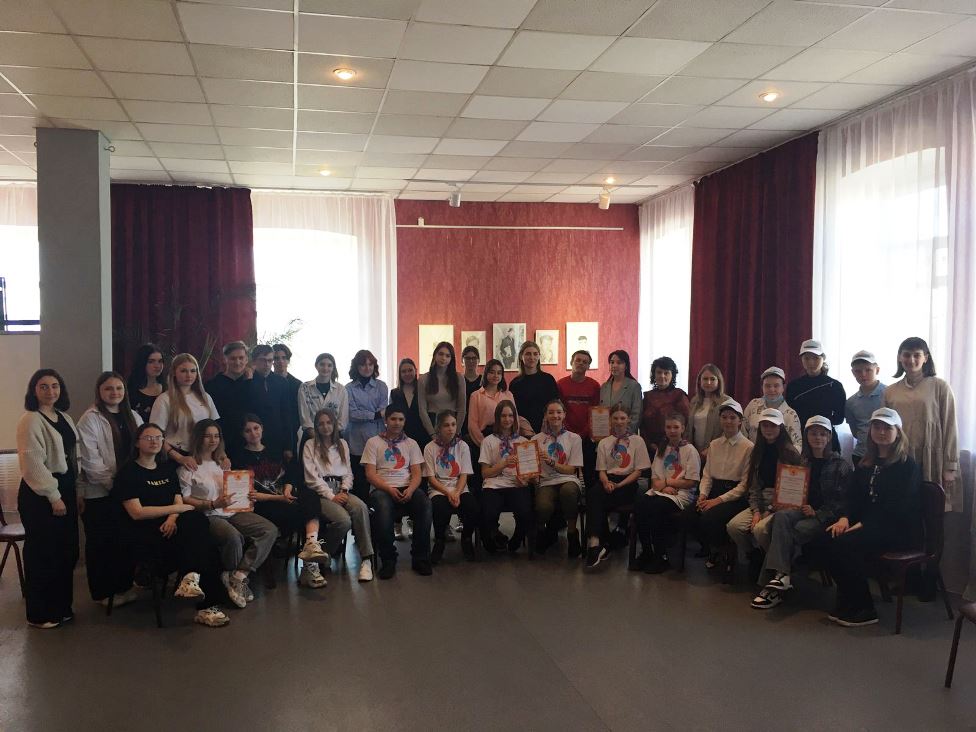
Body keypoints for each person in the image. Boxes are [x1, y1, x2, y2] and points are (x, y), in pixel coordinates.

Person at [115, 423, 229, 628]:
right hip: (145, 531)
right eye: (148, 437)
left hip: (171, 525)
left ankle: (193, 581)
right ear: (137, 443)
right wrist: (174, 511)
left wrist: (172, 518)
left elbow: (178, 499)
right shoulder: (128, 472)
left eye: (159, 437)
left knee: (199, 525)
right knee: (204, 543)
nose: (154, 441)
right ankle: (202, 595)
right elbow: (137, 512)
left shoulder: (166, 469)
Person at [826, 407, 921, 627]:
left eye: (887, 428)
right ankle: (848, 599)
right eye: (877, 427)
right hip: (868, 526)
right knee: (827, 538)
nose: (881, 432)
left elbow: (898, 508)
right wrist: (845, 518)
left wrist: (862, 524)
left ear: (898, 432)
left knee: (846, 545)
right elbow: (853, 497)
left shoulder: (907, 466)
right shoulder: (866, 463)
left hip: (896, 530)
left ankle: (865, 608)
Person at [750, 415, 849, 609]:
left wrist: (817, 512)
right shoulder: (803, 461)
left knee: (787, 533)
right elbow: (793, 489)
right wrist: (784, 502)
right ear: (806, 436)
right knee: (780, 517)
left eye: (822, 434)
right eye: (813, 433)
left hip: (824, 516)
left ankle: (772, 584)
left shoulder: (840, 465)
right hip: (800, 509)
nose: (817, 438)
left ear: (829, 437)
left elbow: (842, 502)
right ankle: (782, 577)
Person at [178, 420, 278, 609]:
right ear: (198, 438)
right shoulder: (188, 467)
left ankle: (238, 575)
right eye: (207, 436)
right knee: (233, 537)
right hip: (209, 514)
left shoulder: (223, 463)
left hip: (232, 510)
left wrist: (246, 497)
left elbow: (233, 488)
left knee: (269, 530)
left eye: (216, 436)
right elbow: (185, 499)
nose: (213, 440)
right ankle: (228, 576)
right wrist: (211, 504)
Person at [16, 369, 79, 629]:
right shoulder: (30, 420)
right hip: (40, 494)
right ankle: (40, 613)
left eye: (55, 386)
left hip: (66, 488)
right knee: (43, 553)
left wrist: (76, 491)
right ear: (34, 390)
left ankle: (61, 607)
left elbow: (73, 456)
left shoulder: (64, 417)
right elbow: (32, 464)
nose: (50, 391)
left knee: (65, 551)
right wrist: (54, 496)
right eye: (43, 386)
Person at [76, 371, 142, 607]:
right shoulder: (90, 419)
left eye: (119, 388)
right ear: (99, 391)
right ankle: (103, 593)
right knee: (101, 544)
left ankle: (123, 587)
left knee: (123, 541)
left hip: (127, 492)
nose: (114, 393)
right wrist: (118, 488)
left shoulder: (133, 416)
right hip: (101, 493)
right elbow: (91, 462)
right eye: (108, 388)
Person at [230, 414, 321, 581]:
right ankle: (310, 566)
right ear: (242, 434)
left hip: (284, 497)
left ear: (262, 429)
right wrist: (279, 498)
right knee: (304, 514)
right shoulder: (238, 458)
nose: (253, 433)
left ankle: (311, 544)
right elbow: (250, 494)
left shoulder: (274, 450)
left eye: (256, 428)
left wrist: (287, 488)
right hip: (264, 505)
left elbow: (291, 473)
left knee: (311, 495)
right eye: (248, 431)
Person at [881, 336, 960, 509]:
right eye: (906, 355)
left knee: (931, 510)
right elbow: (883, 429)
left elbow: (950, 426)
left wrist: (950, 466)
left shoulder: (940, 387)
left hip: (932, 457)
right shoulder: (890, 392)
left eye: (917, 355)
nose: (911, 360)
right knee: (902, 509)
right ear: (899, 358)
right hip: (900, 457)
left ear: (926, 358)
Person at [302, 408, 375, 585]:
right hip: (320, 493)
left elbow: (348, 472)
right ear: (316, 427)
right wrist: (331, 496)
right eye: (321, 424)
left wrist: (344, 490)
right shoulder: (310, 445)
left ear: (335, 424)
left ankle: (366, 559)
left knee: (360, 507)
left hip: (341, 489)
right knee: (343, 520)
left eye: (329, 422)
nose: (325, 427)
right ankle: (322, 555)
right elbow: (312, 478)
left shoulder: (342, 443)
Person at [725, 408, 802, 576]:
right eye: (765, 425)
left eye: (773, 426)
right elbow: (753, 486)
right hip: (760, 500)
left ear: (781, 428)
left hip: (782, 504)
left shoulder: (791, 453)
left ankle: (775, 565)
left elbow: (792, 491)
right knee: (734, 527)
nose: (768, 429)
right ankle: (756, 556)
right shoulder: (757, 451)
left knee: (760, 530)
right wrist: (756, 511)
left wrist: (770, 510)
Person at [362, 407, 430, 579]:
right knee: (383, 508)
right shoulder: (373, 442)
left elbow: (417, 474)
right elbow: (370, 474)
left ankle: (420, 558)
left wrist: (411, 489)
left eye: (401, 419)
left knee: (424, 503)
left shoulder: (411, 443)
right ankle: (388, 559)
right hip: (382, 489)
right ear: (386, 420)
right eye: (393, 419)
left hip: (407, 487)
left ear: (405, 421)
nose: (397, 423)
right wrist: (389, 489)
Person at [685, 398, 753, 568]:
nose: (728, 421)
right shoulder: (714, 444)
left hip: (734, 497)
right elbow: (707, 475)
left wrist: (716, 501)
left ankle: (722, 550)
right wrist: (702, 495)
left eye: (732, 417)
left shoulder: (748, 447)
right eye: (724, 417)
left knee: (710, 517)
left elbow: (744, 485)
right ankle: (711, 547)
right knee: (689, 515)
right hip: (713, 491)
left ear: (740, 421)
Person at [584, 403, 652, 570]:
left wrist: (620, 484)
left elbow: (638, 471)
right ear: (610, 420)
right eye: (615, 418)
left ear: (628, 420)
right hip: (609, 480)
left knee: (605, 501)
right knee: (593, 494)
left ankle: (609, 541)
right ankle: (595, 543)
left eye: (622, 418)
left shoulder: (637, 441)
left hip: (628, 482)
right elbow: (601, 470)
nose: (619, 421)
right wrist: (606, 482)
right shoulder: (604, 442)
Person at [634, 412, 701, 573]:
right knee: (640, 504)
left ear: (683, 428)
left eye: (676, 427)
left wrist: (667, 483)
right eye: (669, 427)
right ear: (664, 429)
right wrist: (663, 487)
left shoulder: (690, 450)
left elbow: (691, 481)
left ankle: (661, 555)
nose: (672, 431)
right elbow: (654, 478)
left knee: (657, 507)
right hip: (661, 490)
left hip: (682, 494)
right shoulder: (662, 448)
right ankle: (647, 551)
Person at [478, 400, 532, 555]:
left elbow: (529, 472)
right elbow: (485, 473)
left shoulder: (523, 442)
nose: (507, 419)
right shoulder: (488, 441)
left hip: (516, 484)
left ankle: (517, 539)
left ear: (515, 418)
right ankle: (490, 539)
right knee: (488, 512)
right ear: (497, 418)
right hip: (494, 484)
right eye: (503, 416)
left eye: (510, 416)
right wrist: (503, 464)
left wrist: (525, 479)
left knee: (524, 511)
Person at [532, 399, 584, 558]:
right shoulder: (535, 440)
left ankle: (572, 533)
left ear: (564, 415)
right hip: (546, 481)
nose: (555, 416)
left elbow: (571, 469)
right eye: (551, 412)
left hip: (568, 479)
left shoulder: (574, 438)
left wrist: (551, 462)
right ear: (545, 416)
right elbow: (532, 469)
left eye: (559, 412)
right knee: (543, 506)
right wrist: (530, 475)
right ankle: (541, 532)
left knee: (568, 492)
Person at [149, 352, 220, 467]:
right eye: (183, 371)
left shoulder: (205, 397)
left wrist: (221, 454)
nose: (189, 375)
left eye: (193, 371)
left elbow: (215, 429)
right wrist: (179, 458)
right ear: (174, 373)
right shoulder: (164, 400)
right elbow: (155, 435)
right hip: (175, 457)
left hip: (203, 454)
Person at [424, 410, 477, 563]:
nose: (451, 429)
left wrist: (457, 492)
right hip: (438, 489)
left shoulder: (463, 446)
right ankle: (439, 541)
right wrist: (448, 493)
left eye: (453, 425)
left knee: (472, 507)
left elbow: (464, 474)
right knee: (440, 508)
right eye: (446, 425)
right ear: (439, 428)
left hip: (459, 487)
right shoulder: (430, 447)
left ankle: (466, 539)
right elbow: (431, 478)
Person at [785, 339, 847, 452]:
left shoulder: (835, 386)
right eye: (807, 358)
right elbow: (790, 416)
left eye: (816, 358)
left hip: (826, 439)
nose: (811, 362)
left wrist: (819, 426)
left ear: (823, 358)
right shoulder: (793, 386)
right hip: (800, 439)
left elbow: (839, 418)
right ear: (801, 359)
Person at [346, 350, 389, 501]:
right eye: (363, 365)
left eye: (370, 364)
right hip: (356, 440)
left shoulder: (382, 386)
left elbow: (384, 411)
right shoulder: (348, 388)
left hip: (378, 437)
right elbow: (352, 414)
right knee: (359, 481)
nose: (367, 368)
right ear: (356, 367)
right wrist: (374, 415)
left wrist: (366, 414)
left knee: (377, 479)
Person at [558, 349, 601, 489]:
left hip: (587, 436)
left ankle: (589, 502)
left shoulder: (595, 386)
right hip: (566, 435)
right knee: (568, 473)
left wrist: (583, 433)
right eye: (578, 360)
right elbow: (559, 411)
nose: (581, 363)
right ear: (571, 362)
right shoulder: (560, 384)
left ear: (588, 366)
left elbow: (595, 413)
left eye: (585, 362)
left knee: (589, 474)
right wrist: (569, 432)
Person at [204, 341, 253, 454]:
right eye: (233, 358)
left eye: (241, 358)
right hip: (221, 442)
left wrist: (249, 382)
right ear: (225, 359)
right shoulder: (212, 385)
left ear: (246, 359)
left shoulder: (252, 383)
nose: (237, 362)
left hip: (249, 441)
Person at [741, 366, 802, 451]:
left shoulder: (791, 415)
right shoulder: (753, 405)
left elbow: (797, 445)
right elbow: (742, 432)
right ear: (762, 387)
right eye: (767, 386)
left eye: (776, 386)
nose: (772, 389)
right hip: (753, 455)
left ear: (783, 387)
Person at [248, 345, 292, 458]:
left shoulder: (282, 382)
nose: (267, 364)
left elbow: (286, 414)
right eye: (262, 360)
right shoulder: (247, 382)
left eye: (270, 360)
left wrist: (288, 446)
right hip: (253, 438)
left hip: (277, 438)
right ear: (254, 361)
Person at [640, 356, 690, 455]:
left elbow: (687, 424)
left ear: (672, 375)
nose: (662, 376)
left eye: (666, 373)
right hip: (650, 448)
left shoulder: (679, 395)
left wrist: (673, 444)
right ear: (654, 374)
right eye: (659, 372)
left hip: (674, 448)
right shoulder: (647, 396)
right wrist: (649, 444)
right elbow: (642, 425)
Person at [418, 342, 467, 441]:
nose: (443, 358)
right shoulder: (424, 379)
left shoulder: (459, 378)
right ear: (435, 355)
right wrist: (432, 434)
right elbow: (422, 410)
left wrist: (456, 432)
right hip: (432, 424)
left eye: (447, 356)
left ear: (451, 359)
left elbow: (462, 408)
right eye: (441, 354)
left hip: (452, 424)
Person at [845, 350, 886, 468]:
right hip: (861, 454)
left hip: (884, 454)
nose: (863, 374)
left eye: (868, 370)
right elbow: (855, 431)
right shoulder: (851, 402)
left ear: (877, 370)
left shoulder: (889, 394)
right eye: (858, 371)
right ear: (853, 372)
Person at [509, 340, 559, 435]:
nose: (532, 357)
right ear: (521, 356)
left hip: (547, 428)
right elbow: (514, 410)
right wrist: (524, 428)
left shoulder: (548, 379)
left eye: (535, 354)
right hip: (523, 431)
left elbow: (555, 405)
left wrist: (547, 422)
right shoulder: (515, 383)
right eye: (528, 354)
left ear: (539, 356)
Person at [298, 352, 349, 439]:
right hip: (311, 436)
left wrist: (328, 439)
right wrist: (317, 438)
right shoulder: (305, 388)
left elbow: (342, 420)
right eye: (322, 364)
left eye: (329, 365)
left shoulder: (341, 390)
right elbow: (305, 419)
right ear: (316, 366)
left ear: (333, 368)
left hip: (334, 437)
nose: (325, 368)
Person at [687, 363, 728, 458]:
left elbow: (730, 430)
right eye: (705, 379)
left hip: (716, 452)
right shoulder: (694, 401)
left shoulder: (726, 402)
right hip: (695, 452)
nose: (708, 382)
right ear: (699, 381)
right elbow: (689, 428)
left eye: (712, 379)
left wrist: (711, 449)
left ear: (719, 381)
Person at [599, 350, 642, 433]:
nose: (614, 365)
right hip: (606, 434)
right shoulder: (604, 387)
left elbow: (636, 415)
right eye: (612, 362)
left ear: (626, 366)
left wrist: (625, 433)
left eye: (619, 363)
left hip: (626, 435)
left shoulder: (634, 386)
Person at [389, 357, 428, 448]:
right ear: (399, 374)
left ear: (415, 371)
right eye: (403, 371)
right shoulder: (394, 393)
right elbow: (392, 416)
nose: (407, 374)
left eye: (410, 370)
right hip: (401, 437)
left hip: (423, 435)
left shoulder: (424, 390)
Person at [126, 343, 166, 424]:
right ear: (142, 363)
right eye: (151, 362)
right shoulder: (130, 390)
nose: (157, 366)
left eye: (160, 361)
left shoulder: (167, 388)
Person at [272, 343, 302, 449]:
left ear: (288, 360)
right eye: (276, 358)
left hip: (292, 433)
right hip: (270, 432)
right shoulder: (266, 382)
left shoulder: (298, 385)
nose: (280, 361)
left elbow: (299, 411)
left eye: (284, 358)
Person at [460, 345, 483, 439]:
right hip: (461, 423)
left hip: (479, 423)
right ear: (462, 360)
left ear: (478, 360)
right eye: (467, 358)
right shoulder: (458, 380)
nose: (471, 361)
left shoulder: (483, 381)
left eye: (474, 358)